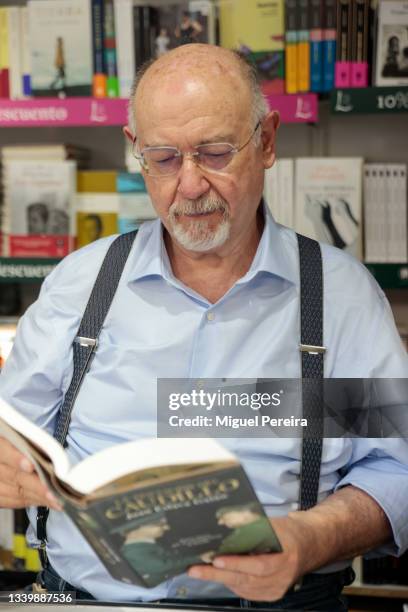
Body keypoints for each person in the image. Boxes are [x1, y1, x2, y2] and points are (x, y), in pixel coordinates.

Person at [0, 44, 407, 610]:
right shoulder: (81, 284)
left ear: (266, 141)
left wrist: (311, 539)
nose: (189, 186)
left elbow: (396, 468)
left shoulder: (340, 298)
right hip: (77, 599)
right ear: (134, 150)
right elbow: (12, 435)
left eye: (214, 153)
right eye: (163, 159)